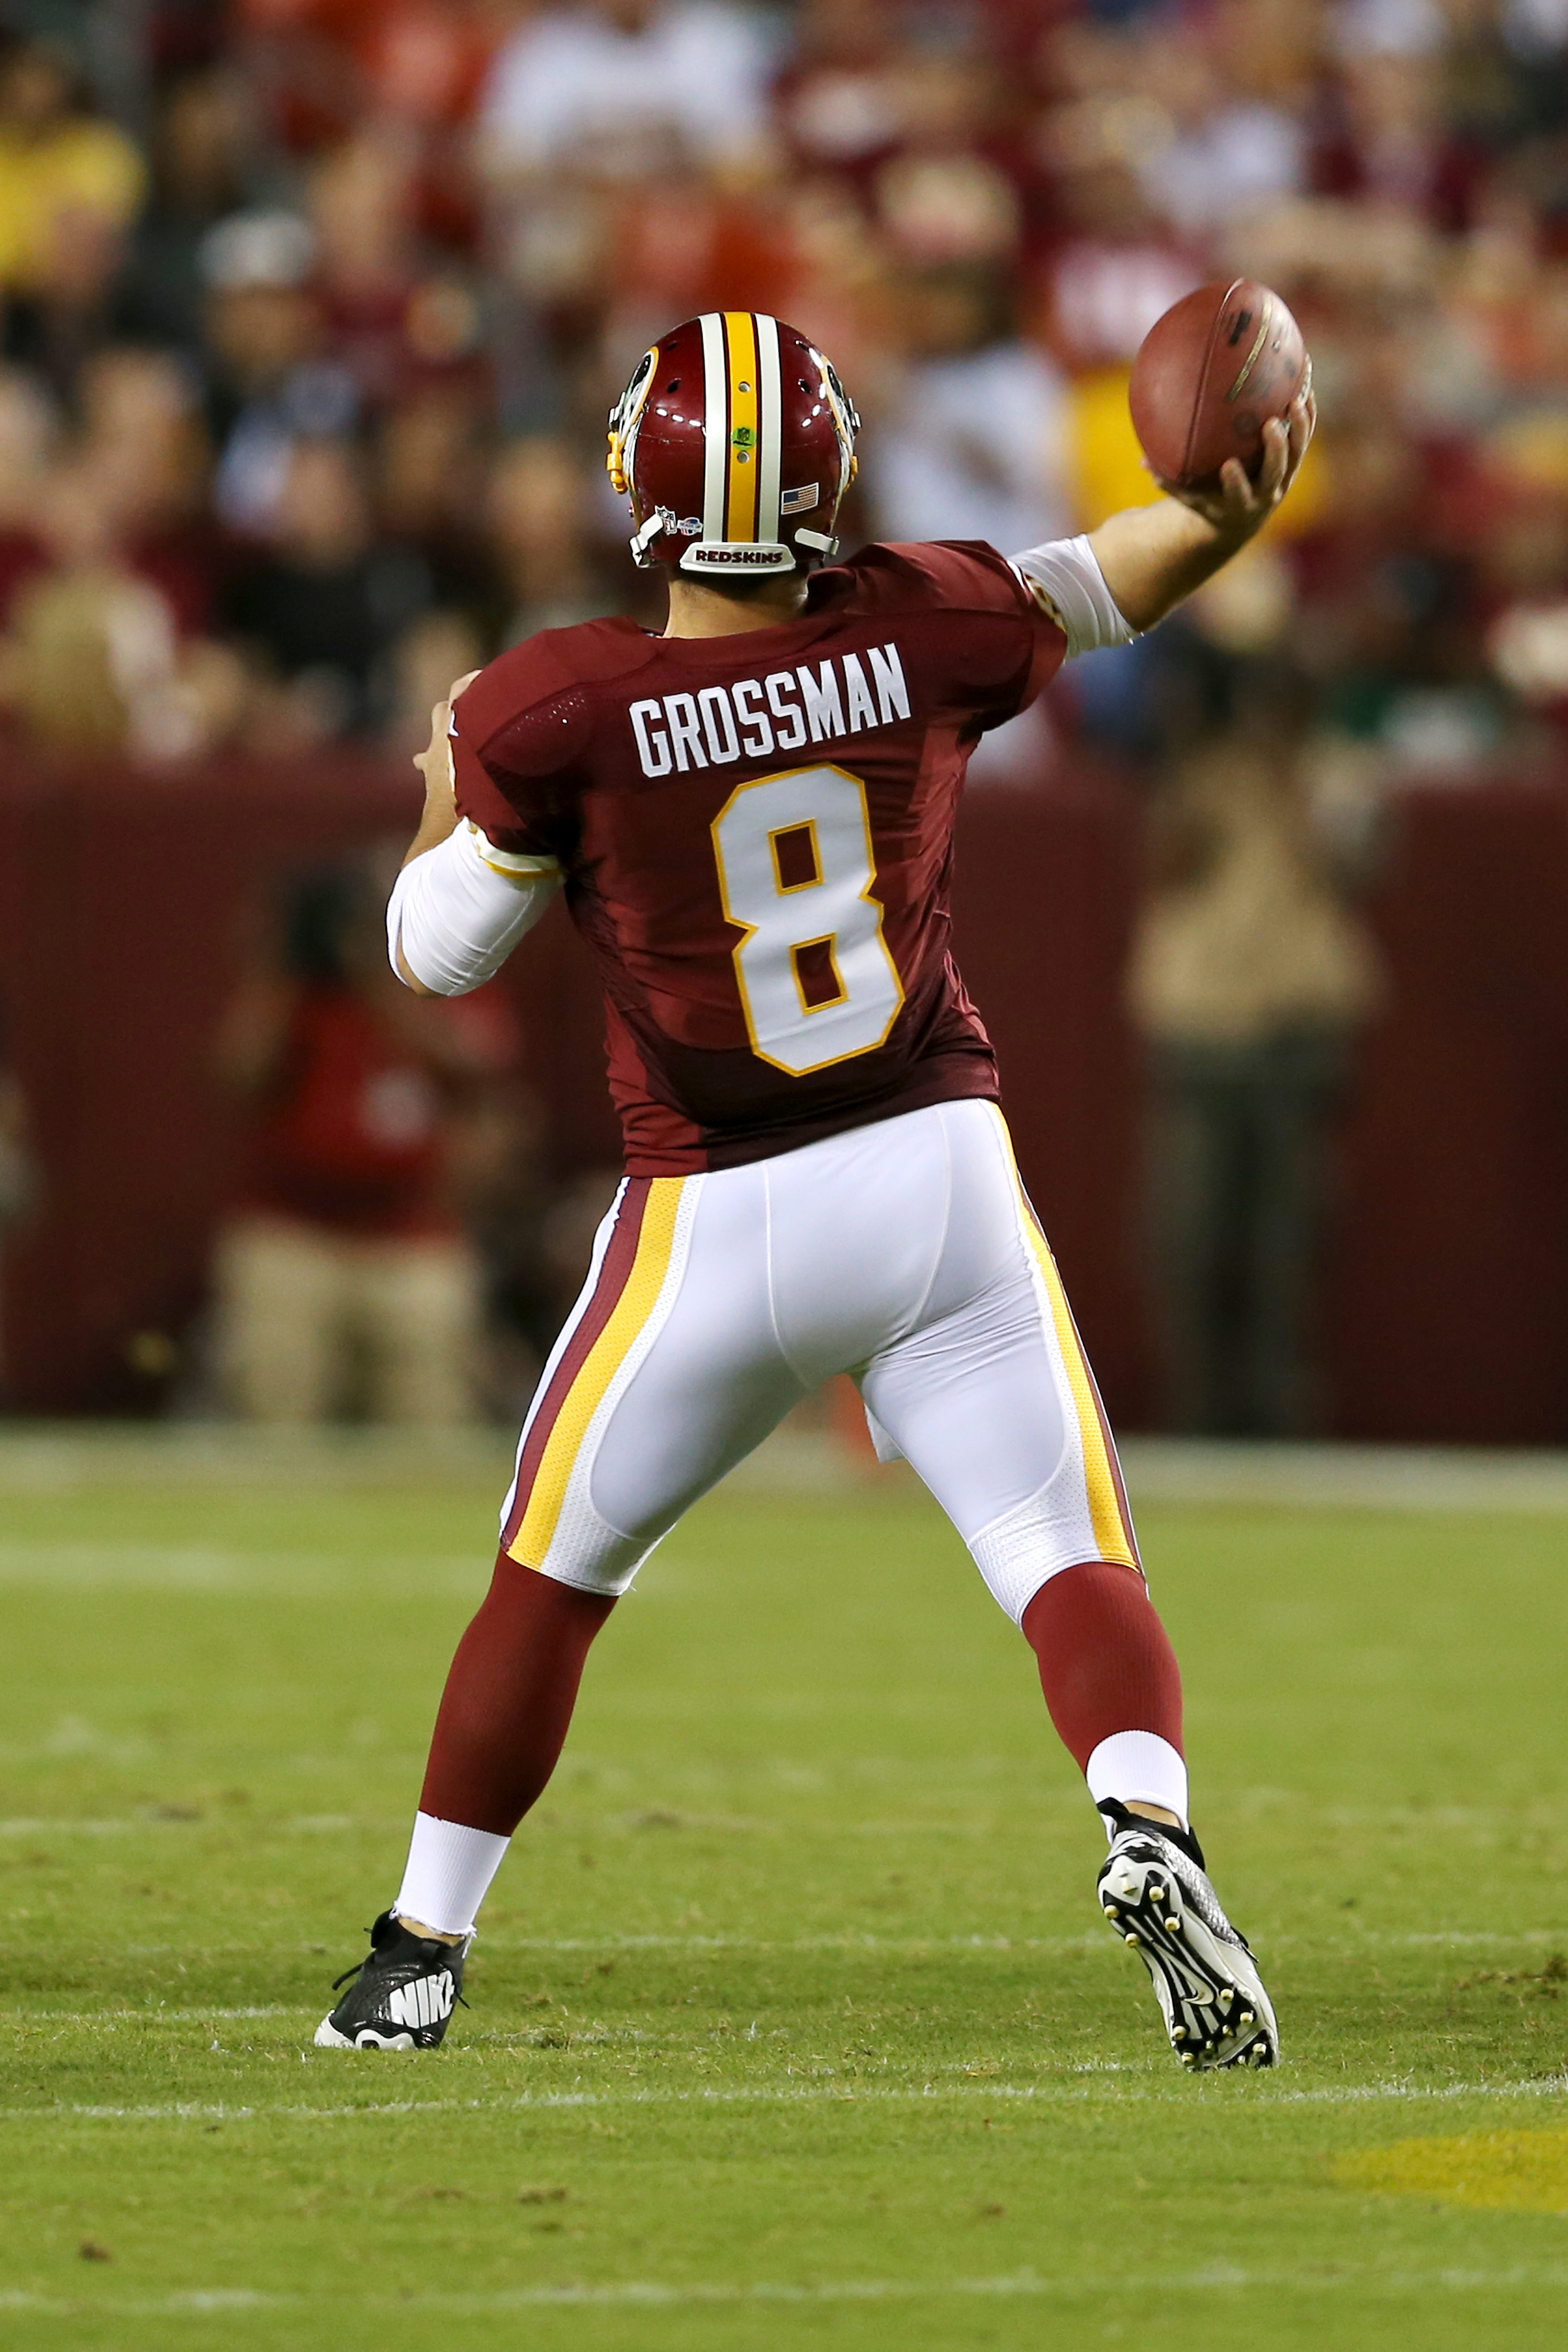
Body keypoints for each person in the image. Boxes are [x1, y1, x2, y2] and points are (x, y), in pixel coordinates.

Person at [317, 308, 1313, 2071]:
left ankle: (417, 1952)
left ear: (644, 481)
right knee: (1067, 1557)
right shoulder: (923, 622)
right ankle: (1147, 1827)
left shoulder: (559, 702)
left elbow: (438, 954)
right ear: (824, 477)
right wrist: (1235, 501)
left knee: (551, 1582)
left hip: (715, 1214)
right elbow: (1128, 573)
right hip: (938, 1177)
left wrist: (430, 791)